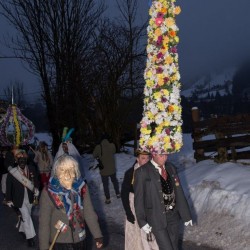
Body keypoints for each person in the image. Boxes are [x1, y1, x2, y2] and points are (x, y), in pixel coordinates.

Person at [39, 155, 103, 250]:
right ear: (56, 172)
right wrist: (44, 247)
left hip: (80, 239)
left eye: (71, 169)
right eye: (62, 170)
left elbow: (89, 213)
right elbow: (44, 223)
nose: (67, 174)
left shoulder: (82, 188)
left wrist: (97, 235)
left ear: (75, 171)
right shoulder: (48, 192)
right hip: (60, 242)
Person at [134, 153, 193, 250]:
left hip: (173, 216)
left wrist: (186, 214)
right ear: (153, 154)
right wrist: (141, 221)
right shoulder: (142, 172)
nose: (164, 158)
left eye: (166, 155)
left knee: (174, 247)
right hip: (156, 218)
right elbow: (139, 199)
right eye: (161, 155)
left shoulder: (171, 167)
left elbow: (178, 192)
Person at [121, 150, 159, 250]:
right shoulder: (130, 173)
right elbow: (124, 194)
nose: (146, 161)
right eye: (143, 158)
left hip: (150, 207)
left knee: (151, 236)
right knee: (136, 235)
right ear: (137, 159)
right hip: (134, 207)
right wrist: (128, 212)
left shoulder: (154, 171)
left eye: (148, 158)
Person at [6, 149, 39, 247]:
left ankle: (21, 228)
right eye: (19, 158)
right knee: (26, 216)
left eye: (23, 158)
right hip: (18, 199)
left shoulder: (32, 168)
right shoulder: (12, 173)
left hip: (29, 197)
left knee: (26, 216)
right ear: (16, 160)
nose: (22, 161)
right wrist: (8, 199)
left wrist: (36, 189)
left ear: (26, 159)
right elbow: (9, 187)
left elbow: (37, 181)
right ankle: (30, 238)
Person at [93, 135, 120, 204]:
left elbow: (94, 155)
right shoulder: (112, 145)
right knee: (114, 181)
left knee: (105, 184)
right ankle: (118, 194)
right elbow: (114, 152)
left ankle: (108, 199)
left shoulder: (98, 147)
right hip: (112, 169)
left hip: (104, 170)